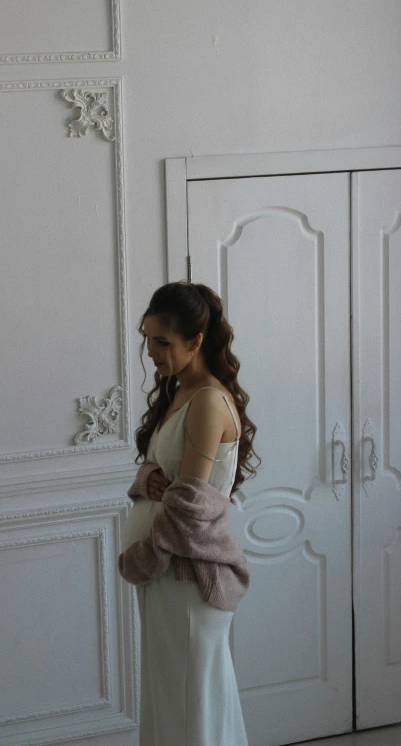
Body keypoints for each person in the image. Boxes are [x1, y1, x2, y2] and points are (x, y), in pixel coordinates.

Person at [119, 280, 260, 746]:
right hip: (166, 577)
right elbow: (163, 473)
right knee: (172, 700)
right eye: (146, 338)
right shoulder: (180, 392)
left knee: (190, 705)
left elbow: (191, 507)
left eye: (161, 341)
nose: (150, 351)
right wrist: (146, 481)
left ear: (195, 342)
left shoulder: (206, 402)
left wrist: (141, 557)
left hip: (184, 576)